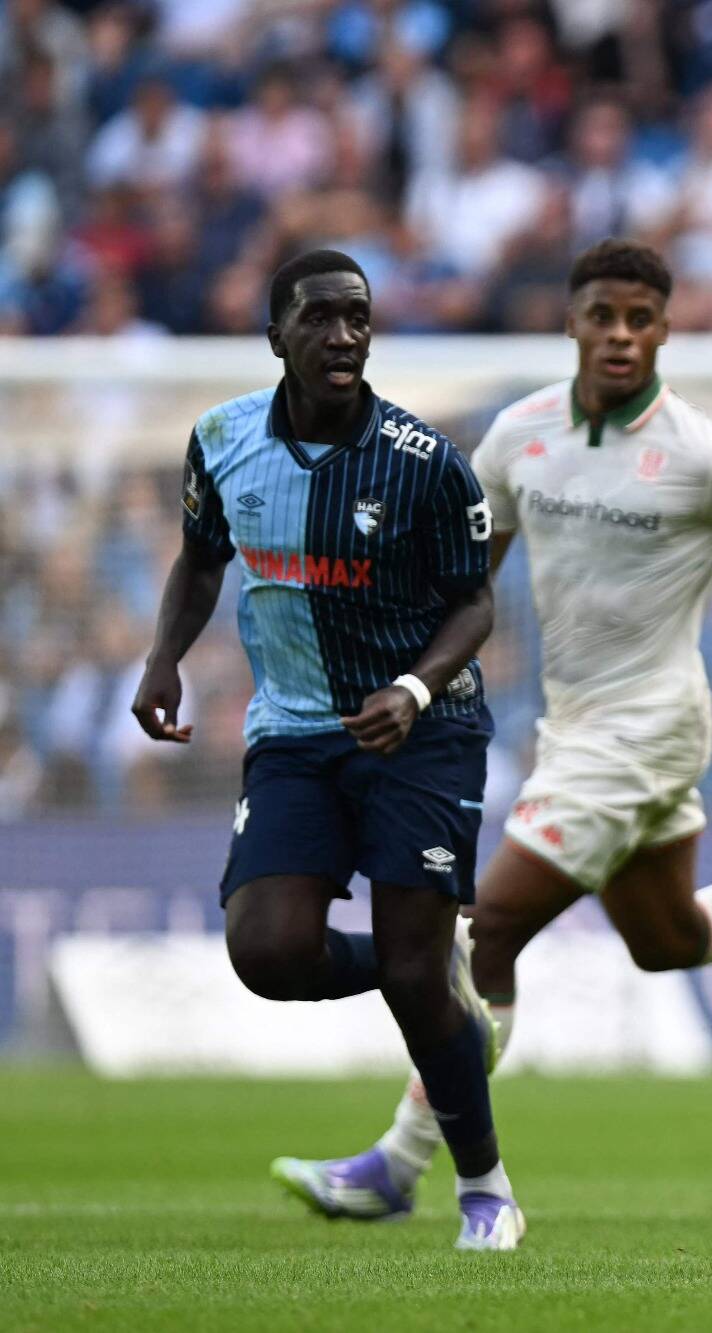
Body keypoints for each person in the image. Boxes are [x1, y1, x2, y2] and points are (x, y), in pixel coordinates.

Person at [270, 239, 712, 1219]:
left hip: (649, 729)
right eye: (604, 316)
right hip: (573, 726)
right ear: (572, 322)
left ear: (665, 330)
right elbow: (466, 572)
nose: (622, 335)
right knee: (668, 936)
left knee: (487, 932)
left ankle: (397, 1164)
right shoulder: (519, 436)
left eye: (642, 319)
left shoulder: (708, 452)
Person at [130, 250, 523, 1250]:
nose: (344, 335)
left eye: (358, 317)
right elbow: (200, 561)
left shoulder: (424, 460)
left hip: (422, 732)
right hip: (295, 733)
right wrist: (164, 658)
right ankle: (429, 970)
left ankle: (486, 1191)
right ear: (276, 335)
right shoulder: (221, 439)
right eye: (320, 318)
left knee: (411, 976)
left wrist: (413, 688)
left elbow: (476, 602)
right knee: (268, 952)